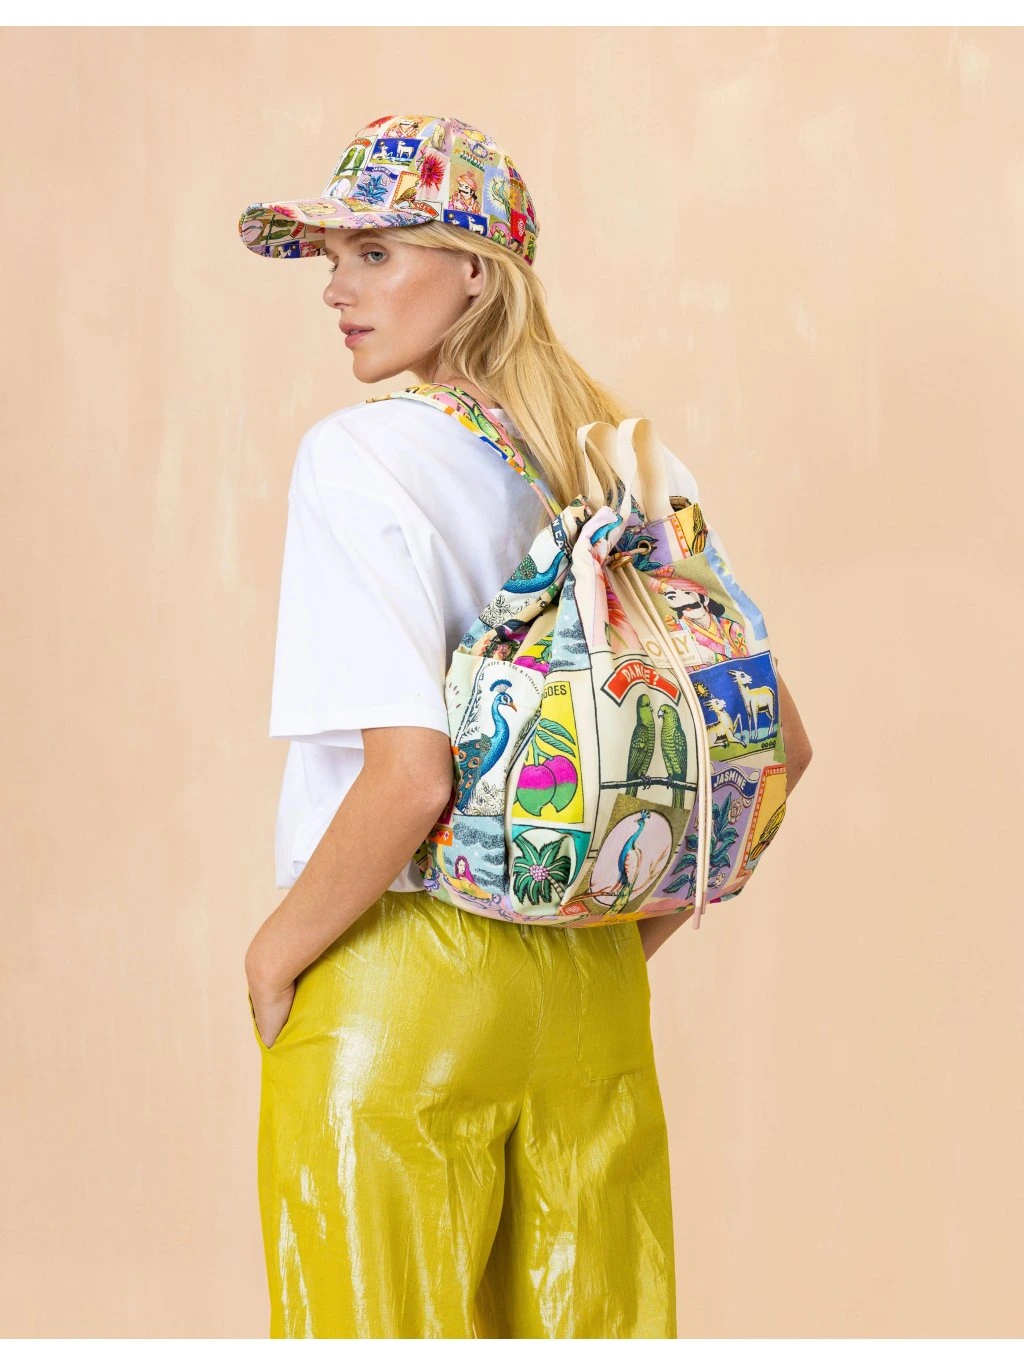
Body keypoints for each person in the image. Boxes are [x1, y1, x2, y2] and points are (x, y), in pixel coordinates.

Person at [237, 112, 815, 1340]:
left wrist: (274, 957)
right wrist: (607, 942)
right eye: (330, 259)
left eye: (374, 253)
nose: (335, 289)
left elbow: (411, 780)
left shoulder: (359, 457)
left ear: (474, 270)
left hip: (398, 979)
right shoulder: (631, 466)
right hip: (591, 987)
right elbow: (774, 750)